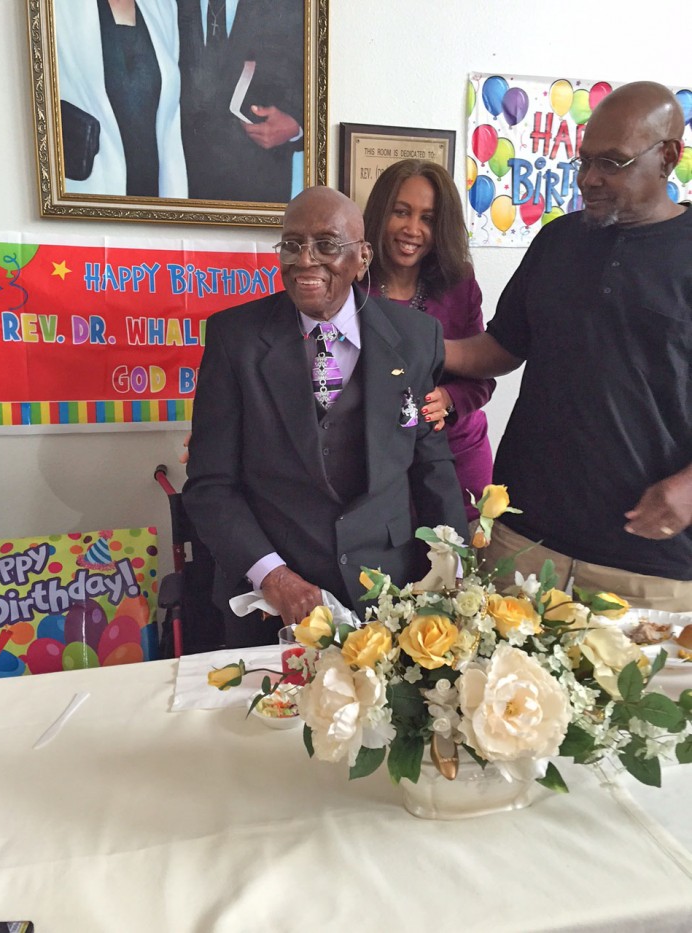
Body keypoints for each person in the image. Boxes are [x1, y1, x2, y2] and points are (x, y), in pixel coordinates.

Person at [443, 81, 692, 609]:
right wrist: (414, 345)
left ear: (669, 156)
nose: (589, 179)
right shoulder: (558, 240)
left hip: (650, 567)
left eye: (612, 163)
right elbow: (503, 348)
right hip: (522, 545)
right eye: (584, 160)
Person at [182, 186, 467, 647]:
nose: (304, 260)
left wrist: (454, 566)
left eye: (327, 245)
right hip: (272, 599)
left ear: (362, 257)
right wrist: (274, 578)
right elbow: (210, 486)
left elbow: (430, 463)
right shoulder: (235, 338)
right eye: (292, 244)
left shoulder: (416, 338)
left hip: (390, 595)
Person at [363, 159, 495, 521]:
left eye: (428, 219)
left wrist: (450, 399)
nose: (412, 229)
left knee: (462, 571)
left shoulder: (460, 283)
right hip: (377, 464)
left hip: (458, 457)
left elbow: (483, 376)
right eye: (401, 212)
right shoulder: (351, 284)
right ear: (379, 214)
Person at [56, 0, 188, 197]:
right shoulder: (55, 7)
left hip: (153, 199)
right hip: (86, 199)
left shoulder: (164, 6)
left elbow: (170, 123)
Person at [176, 0, 304, 202]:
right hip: (177, 189)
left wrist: (297, 126)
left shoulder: (293, 6)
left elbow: (318, 71)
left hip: (258, 197)